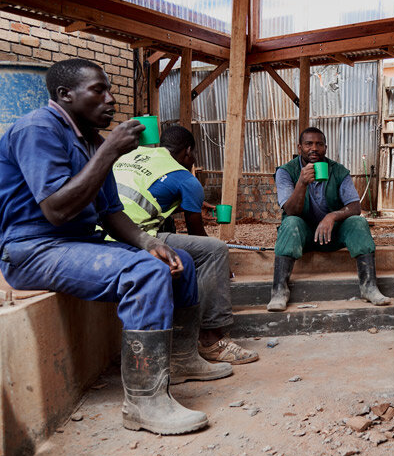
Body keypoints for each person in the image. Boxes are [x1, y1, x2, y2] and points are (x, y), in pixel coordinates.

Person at [0, 59, 230, 435]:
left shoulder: (91, 140)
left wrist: (149, 241)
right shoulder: (38, 130)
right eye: (99, 90)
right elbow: (56, 209)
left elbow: (110, 212)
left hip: (78, 243)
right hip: (32, 248)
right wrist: (109, 153)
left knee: (181, 261)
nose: (110, 99)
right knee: (145, 273)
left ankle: (183, 359)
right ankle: (143, 402)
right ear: (65, 94)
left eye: (109, 90)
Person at [113, 125, 258, 365]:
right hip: (134, 236)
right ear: (188, 151)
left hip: (102, 231)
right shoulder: (185, 178)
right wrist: (221, 267)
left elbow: (148, 195)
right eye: (194, 154)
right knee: (215, 250)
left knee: (182, 245)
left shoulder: (134, 155)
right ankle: (212, 340)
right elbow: (197, 233)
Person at [268, 127, 390, 311]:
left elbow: (355, 206)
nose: (314, 148)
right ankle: (279, 291)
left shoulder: (338, 171)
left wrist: (332, 216)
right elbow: (291, 211)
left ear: (325, 148)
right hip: (302, 236)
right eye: (308, 144)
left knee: (358, 222)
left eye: (319, 144)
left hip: (332, 234)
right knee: (291, 223)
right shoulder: (286, 172)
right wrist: (302, 182)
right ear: (299, 147)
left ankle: (369, 287)